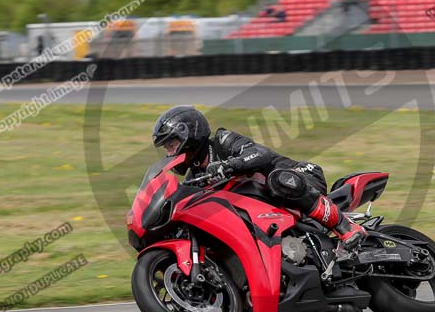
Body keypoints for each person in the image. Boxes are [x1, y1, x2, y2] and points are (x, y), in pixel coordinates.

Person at [151, 105, 367, 249]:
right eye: (166, 148)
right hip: (268, 212)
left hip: (300, 176)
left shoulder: (222, 141)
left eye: (172, 144)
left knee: (278, 181)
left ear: (189, 135)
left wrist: (229, 165)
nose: (170, 153)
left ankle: (345, 227)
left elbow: (261, 154)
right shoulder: (196, 176)